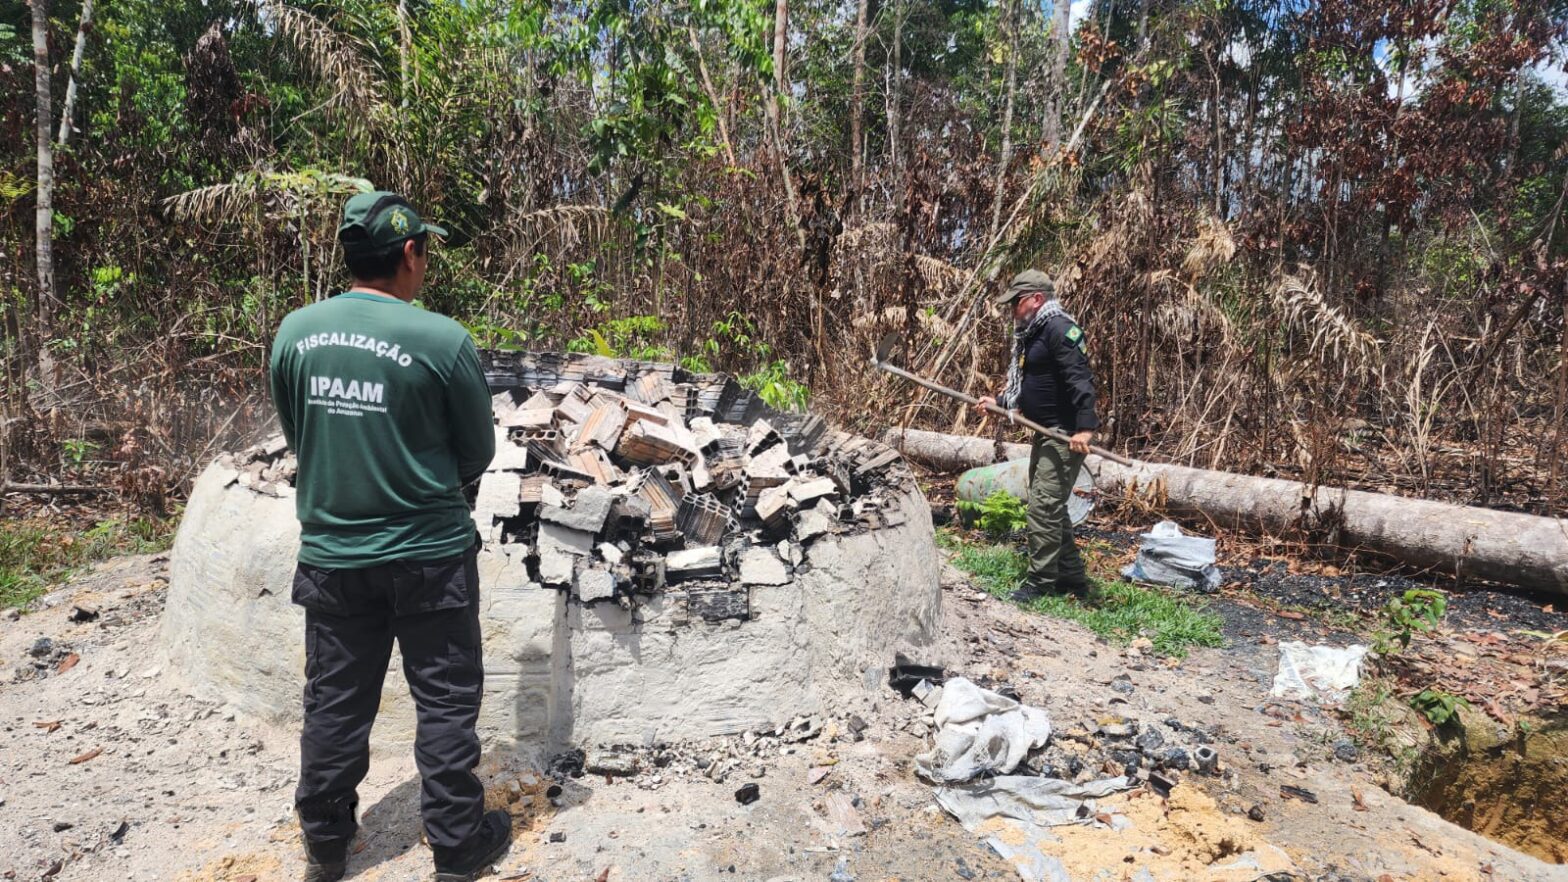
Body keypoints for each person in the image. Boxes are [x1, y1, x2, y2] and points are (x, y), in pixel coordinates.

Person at [268, 191, 510, 882]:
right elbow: (476, 450)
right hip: (430, 555)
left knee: (336, 703)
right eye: (425, 250)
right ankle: (458, 846)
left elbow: (300, 434)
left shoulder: (294, 333)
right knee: (444, 700)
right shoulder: (442, 340)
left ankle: (325, 843)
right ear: (410, 254)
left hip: (333, 556)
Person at [975, 269, 1100, 599]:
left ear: (1036, 299)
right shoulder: (1033, 333)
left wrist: (1085, 429)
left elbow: (1080, 379)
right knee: (1052, 506)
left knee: (1043, 508)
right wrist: (1001, 402)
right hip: (1045, 433)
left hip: (1063, 435)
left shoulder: (1061, 329)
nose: (1012, 309)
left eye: (1016, 302)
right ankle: (1073, 579)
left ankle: (1040, 583)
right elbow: (1037, 384)